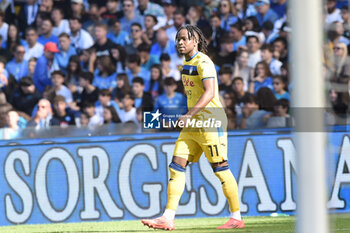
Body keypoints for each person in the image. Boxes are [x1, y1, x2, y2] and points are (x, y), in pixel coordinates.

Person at [141, 25, 244, 230]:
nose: (180, 42)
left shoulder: (204, 62)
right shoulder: (185, 64)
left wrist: (189, 114)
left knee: (220, 167)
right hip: (194, 123)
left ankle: (236, 217)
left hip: (210, 121)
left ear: (194, 41)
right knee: (176, 165)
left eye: (184, 39)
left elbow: (210, 92)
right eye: (178, 39)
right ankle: (168, 217)